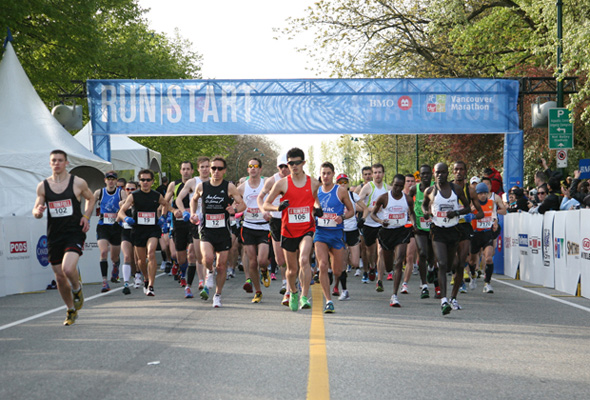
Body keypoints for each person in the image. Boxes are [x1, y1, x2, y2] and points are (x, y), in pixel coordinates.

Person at [32, 150, 95, 326]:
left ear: (66, 163)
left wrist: (86, 216)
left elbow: (90, 199)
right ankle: (70, 309)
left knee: (68, 269)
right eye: (54, 160)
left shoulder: (77, 182)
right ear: (50, 163)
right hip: (54, 235)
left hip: (74, 231)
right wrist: (37, 212)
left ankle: (77, 288)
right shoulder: (43, 186)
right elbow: (36, 209)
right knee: (59, 276)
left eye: (60, 160)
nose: (57, 163)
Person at [263, 147, 320, 311]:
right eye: (290, 163)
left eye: (297, 163)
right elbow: (267, 203)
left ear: (303, 163)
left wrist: (318, 208)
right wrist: (277, 208)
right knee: (291, 270)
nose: (293, 166)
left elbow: (316, 200)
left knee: (304, 260)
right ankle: (293, 292)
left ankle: (304, 296)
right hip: (288, 231)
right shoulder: (282, 183)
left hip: (307, 229)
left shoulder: (313, 182)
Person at [188, 156, 245, 308]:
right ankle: (209, 273)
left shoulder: (229, 187)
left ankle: (218, 295)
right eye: (213, 168)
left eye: (220, 168)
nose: (216, 171)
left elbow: (242, 204)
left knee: (221, 265)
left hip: (223, 231)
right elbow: (193, 200)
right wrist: (193, 213)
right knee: (207, 258)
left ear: (224, 171)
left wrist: (235, 209)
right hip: (206, 229)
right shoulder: (202, 187)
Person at [422, 163, 476, 316]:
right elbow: (424, 206)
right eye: (437, 172)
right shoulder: (430, 191)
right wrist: (426, 213)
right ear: (434, 174)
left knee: (455, 265)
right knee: (443, 263)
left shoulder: (456, 190)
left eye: (443, 172)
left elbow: (467, 207)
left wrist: (457, 213)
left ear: (447, 174)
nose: (440, 175)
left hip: (454, 230)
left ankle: (453, 297)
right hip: (437, 231)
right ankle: (444, 300)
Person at [117, 169, 170, 296]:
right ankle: (145, 278)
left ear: (152, 181)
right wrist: (126, 218)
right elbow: (121, 211)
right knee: (140, 261)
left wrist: (163, 216)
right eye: (142, 180)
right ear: (139, 181)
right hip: (138, 230)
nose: (145, 182)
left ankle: (151, 285)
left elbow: (165, 204)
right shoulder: (134, 195)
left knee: (151, 253)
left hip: (152, 229)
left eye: (148, 180)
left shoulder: (156, 195)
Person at [371, 174, 416, 308]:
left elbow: (412, 213)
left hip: (401, 232)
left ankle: (394, 295)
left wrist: (413, 223)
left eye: (400, 186)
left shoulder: (407, 199)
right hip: (386, 232)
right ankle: (388, 272)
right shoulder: (384, 197)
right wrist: (380, 221)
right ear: (392, 184)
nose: (397, 188)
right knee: (389, 265)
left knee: (399, 260)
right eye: (396, 185)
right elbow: (373, 214)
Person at [314, 163, 354, 313]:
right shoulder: (315, 192)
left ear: (333, 174)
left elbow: (351, 211)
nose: (325, 176)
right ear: (320, 174)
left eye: (328, 173)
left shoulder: (341, 191)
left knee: (338, 271)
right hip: (321, 233)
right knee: (323, 265)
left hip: (336, 234)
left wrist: (342, 217)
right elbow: (310, 209)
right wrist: (314, 214)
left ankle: (332, 274)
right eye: (323, 173)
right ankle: (329, 300)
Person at [257, 153, 291, 305]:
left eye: (287, 166)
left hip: (292, 220)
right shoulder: (272, 180)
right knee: (280, 258)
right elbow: (260, 198)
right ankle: (285, 280)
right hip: (276, 220)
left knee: (293, 256)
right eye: (281, 166)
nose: (284, 169)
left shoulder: (298, 178)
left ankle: (290, 286)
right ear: (277, 167)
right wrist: (264, 211)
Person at [175, 156, 211, 296]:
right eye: (202, 166)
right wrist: (185, 212)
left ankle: (207, 280)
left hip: (211, 222)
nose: (205, 169)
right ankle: (199, 282)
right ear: (198, 169)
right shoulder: (193, 182)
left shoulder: (215, 182)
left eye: (207, 166)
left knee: (208, 255)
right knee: (195, 254)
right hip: (196, 221)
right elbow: (178, 198)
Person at [238, 157, 272, 303]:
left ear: (260, 169)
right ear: (247, 169)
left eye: (256, 166)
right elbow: (234, 201)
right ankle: (258, 291)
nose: (253, 168)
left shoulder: (266, 184)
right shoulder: (242, 187)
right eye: (250, 166)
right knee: (252, 262)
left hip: (264, 227)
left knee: (262, 260)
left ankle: (264, 271)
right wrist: (234, 208)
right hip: (248, 227)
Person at [451, 161, 483, 299]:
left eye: (461, 169)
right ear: (453, 172)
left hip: (464, 226)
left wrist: (472, 216)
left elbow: (481, 213)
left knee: (463, 256)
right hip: (449, 226)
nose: (458, 172)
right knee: (454, 259)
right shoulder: (446, 189)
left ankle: (460, 282)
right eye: (456, 169)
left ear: (465, 172)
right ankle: (457, 276)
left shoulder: (470, 191)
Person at [165, 161, 198, 298]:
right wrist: (173, 210)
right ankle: (180, 268)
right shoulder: (174, 185)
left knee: (191, 253)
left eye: (188, 169)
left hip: (193, 224)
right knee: (180, 257)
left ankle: (185, 278)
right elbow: (165, 202)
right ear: (180, 171)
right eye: (183, 169)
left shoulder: (197, 184)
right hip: (179, 224)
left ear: (192, 171)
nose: (185, 171)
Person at [357, 163, 389, 290]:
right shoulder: (367, 187)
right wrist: (370, 208)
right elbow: (357, 204)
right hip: (369, 223)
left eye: (379, 172)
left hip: (382, 223)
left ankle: (379, 280)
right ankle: (371, 266)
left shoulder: (388, 188)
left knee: (380, 250)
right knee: (370, 251)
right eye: (375, 172)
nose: (377, 175)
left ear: (383, 174)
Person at [468, 182, 504, 294]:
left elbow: (494, 215)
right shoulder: (473, 204)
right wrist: (471, 211)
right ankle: (473, 276)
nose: (483, 195)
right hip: (475, 234)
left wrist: (495, 222)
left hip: (486, 233)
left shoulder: (491, 203)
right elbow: (468, 216)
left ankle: (487, 283)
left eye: (485, 193)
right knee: (472, 260)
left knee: (488, 258)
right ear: (476, 194)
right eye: (480, 193)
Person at [408, 164, 437, 299]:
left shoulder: (435, 187)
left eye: (427, 174)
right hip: (420, 226)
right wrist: (413, 221)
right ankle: (424, 285)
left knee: (432, 255)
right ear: (419, 176)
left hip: (433, 225)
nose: (425, 176)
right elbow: (409, 207)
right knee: (422, 253)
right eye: (422, 174)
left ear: (431, 175)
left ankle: (431, 269)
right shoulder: (414, 189)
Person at [93, 171, 125, 292]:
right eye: (108, 179)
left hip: (116, 226)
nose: (111, 181)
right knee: (103, 252)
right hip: (103, 226)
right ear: (105, 180)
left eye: (113, 179)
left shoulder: (121, 192)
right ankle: (105, 282)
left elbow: (127, 204)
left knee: (114, 256)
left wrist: (122, 206)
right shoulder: (99, 192)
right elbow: (90, 202)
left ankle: (115, 266)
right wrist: (86, 217)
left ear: (116, 181)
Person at [333, 173, 364, 301]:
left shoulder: (352, 195)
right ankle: (341, 289)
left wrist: (363, 219)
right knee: (342, 263)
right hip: (340, 231)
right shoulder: (335, 196)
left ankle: (338, 282)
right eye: (340, 182)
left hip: (352, 231)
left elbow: (365, 208)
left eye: (345, 182)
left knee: (355, 263)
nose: (343, 184)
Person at [120, 180, 139, 294]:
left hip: (138, 232)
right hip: (126, 231)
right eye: (127, 189)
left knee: (137, 259)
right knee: (127, 257)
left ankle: (137, 274)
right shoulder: (122, 203)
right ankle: (126, 283)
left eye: (132, 189)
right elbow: (119, 215)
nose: (130, 191)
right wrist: (124, 218)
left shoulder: (140, 202)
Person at [400, 173, 418, 292]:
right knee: (399, 257)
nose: (410, 183)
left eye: (412, 181)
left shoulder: (418, 197)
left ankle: (405, 283)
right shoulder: (398, 196)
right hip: (399, 228)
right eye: (408, 181)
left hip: (412, 228)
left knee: (410, 256)